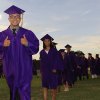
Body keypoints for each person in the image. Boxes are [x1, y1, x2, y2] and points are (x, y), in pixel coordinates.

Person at [0, 5, 39, 100]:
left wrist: (27, 43)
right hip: (10, 70)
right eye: (12, 16)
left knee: (24, 94)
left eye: (17, 16)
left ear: (20, 18)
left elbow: (36, 48)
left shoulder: (28, 33)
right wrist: (2, 45)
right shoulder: (2, 35)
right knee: (13, 93)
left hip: (24, 70)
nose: (15, 18)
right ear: (8, 18)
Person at [40, 34, 58, 100]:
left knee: (53, 89)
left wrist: (55, 68)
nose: (47, 42)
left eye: (48, 41)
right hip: (45, 72)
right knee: (45, 87)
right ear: (43, 42)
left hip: (53, 71)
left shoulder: (54, 51)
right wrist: (41, 72)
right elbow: (41, 63)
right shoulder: (41, 52)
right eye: (45, 41)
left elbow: (57, 60)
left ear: (50, 42)